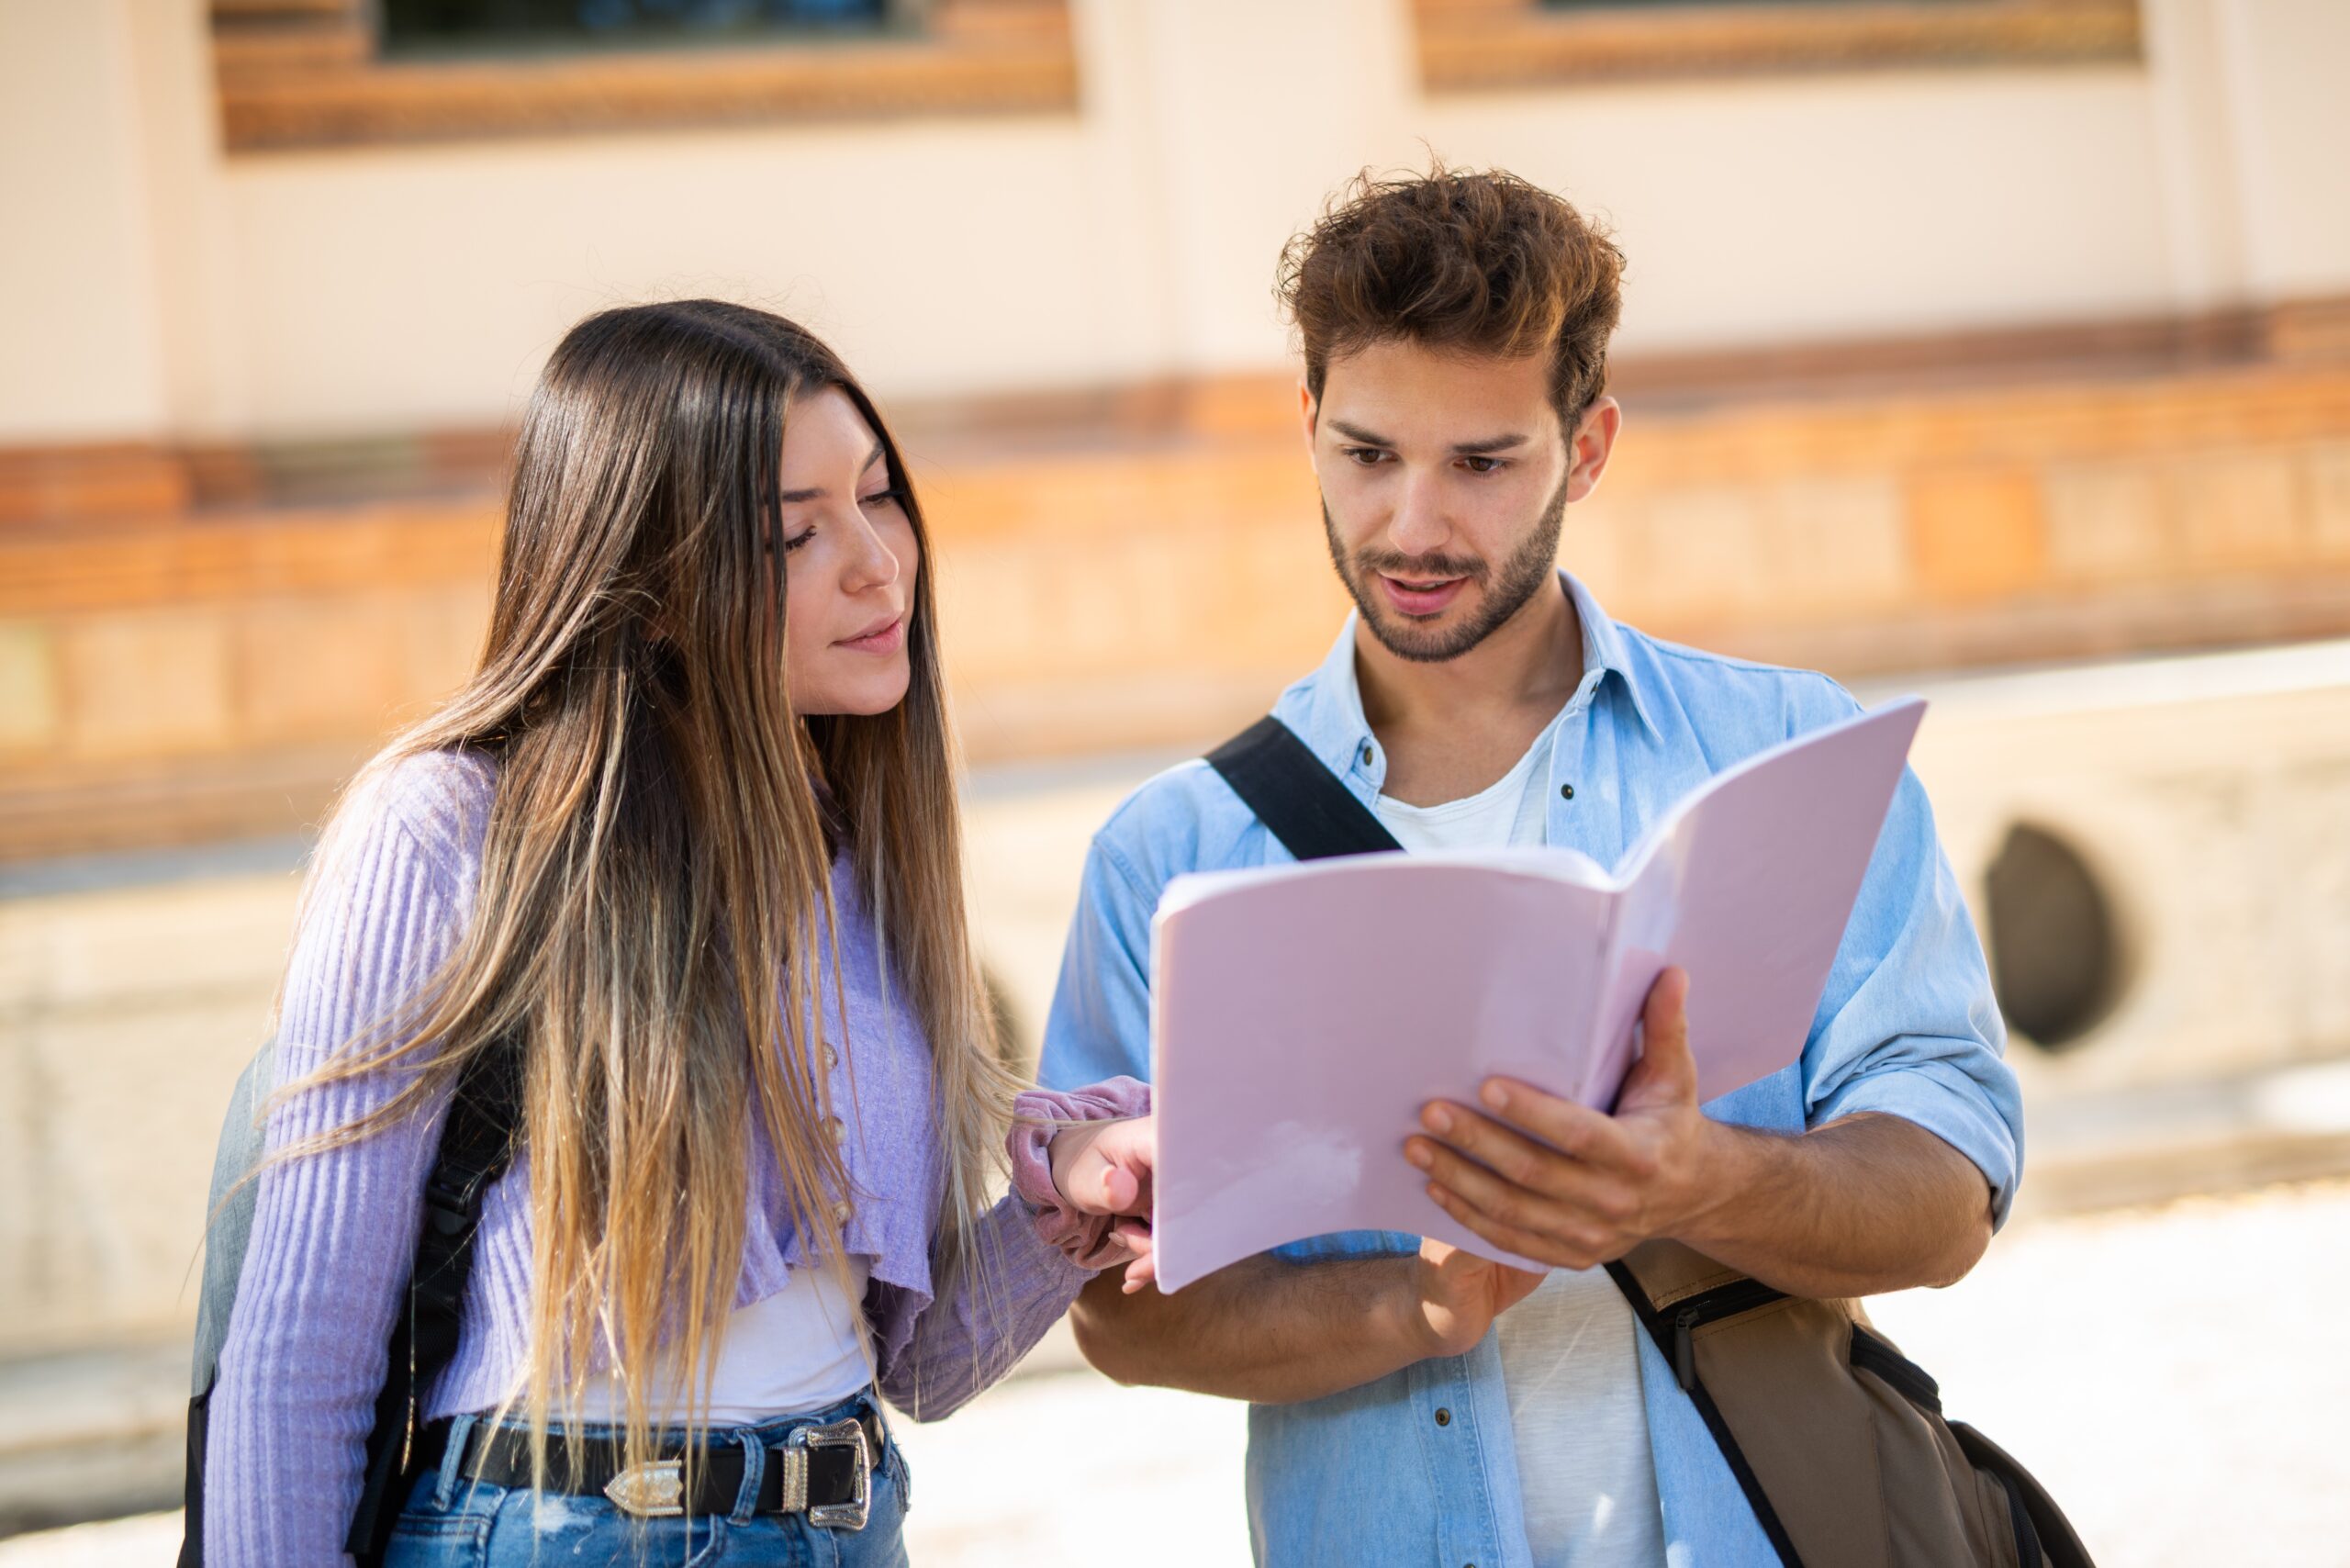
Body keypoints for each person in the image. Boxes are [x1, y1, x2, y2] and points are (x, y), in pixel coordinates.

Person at [1039, 167, 2022, 1566]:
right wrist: (1416, 1307)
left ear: (1591, 444)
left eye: (1484, 463)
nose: (1415, 527)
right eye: (1368, 455)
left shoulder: (1791, 752)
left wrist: (1698, 1179)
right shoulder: (1173, 856)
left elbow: (1947, 1195)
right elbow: (1121, 1317)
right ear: (1308, 428)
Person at [207, 299, 1156, 1566]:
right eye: (796, 532)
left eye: (881, 496)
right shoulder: (451, 825)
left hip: (846, 1521)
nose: (878, 561)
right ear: (646, 590)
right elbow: (301, 1349)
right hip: (563, 1532)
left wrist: (1069, 1214)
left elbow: (913, 1368)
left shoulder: (867, 847)